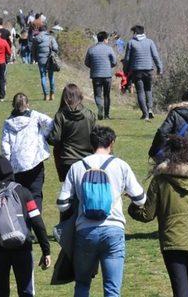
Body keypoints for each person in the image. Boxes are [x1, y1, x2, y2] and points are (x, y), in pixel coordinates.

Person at [57, 126, 146, 297]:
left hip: (85, 231)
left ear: (91, 144)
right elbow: (141, 199)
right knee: (112, 289)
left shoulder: (77, 167)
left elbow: (62, 204)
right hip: (113, 229)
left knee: (82, 284)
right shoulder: (121, 166)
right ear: (111, 143)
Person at [128, 135, 188, 297]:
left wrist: (133, 207)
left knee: (180, 290)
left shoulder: (160, 181)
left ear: (168, 153)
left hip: (173, 243)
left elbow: (147, 215)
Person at [0, 155, 52, 297]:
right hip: (23, 247)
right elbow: (37, 222)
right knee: (26, 291)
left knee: (2, 291)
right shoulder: (23, 192)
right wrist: (46, 250)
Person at [1, 93, 53, 211]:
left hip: (17, 166)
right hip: (35, 161)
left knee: (20, 196)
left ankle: (24, 224)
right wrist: (43, 136)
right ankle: (36, 221)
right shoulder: (35, 116)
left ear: (13, 105)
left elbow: (5, 146)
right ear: (27, 104)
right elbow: (50, 123)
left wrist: (8, 163)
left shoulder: (8, 123)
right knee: (35, 194)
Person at [47, 84, 97, 182]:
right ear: (80, 96)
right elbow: (96, 138)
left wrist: (47, 136)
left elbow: (55, 139)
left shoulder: (60, 115)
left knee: (69, 193)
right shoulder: (89, 115)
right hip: (87, 160)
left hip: (67, 160)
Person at [124, 25, 163, 120]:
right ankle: (149, 109)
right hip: (149, 70)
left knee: (140, 92)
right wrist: (159, 68)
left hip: (137, 71)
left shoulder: (131, 43)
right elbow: (155, 56)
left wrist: (126, 70)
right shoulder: (150, 42)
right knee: (148, 90)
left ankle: (145, 114)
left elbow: (127, 59)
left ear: (135, 33)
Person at [84, 31, 118, 120]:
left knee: (97, 95)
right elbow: (114, 62)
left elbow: (86, 62)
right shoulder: (109, 49)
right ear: (105, 39)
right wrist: (109, 66)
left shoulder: (91, 49)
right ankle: (106, 115)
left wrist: (93, 66)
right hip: (107, 75)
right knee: (107, 95)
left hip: (96, 75)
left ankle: (100, 107)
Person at [32, 26, 59, 101]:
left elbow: (33, 50)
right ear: (46, 30)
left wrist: (35, 58)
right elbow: (56, 48)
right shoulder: (51, 38)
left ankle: (46, 95)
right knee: (51, 76)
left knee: (43, 76)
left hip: (41, 59)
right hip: (50, 59)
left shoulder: (36, 38)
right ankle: (52, 94)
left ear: (39, 31)